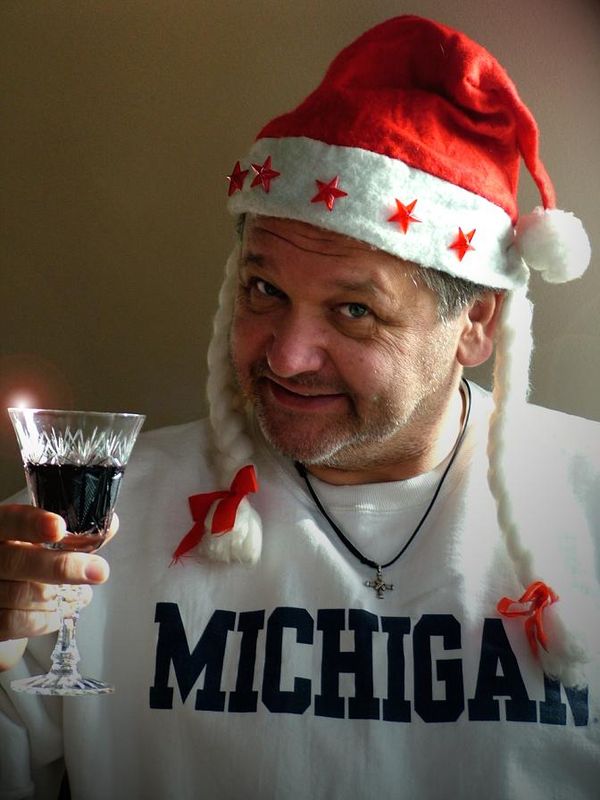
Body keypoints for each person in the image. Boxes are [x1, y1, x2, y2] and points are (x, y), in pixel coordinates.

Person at [1, 14, 599, 800]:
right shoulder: (83, 532)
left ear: (476, 323)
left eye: (354, 311)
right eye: (264, 290)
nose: (286, 356)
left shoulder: (587, 506)